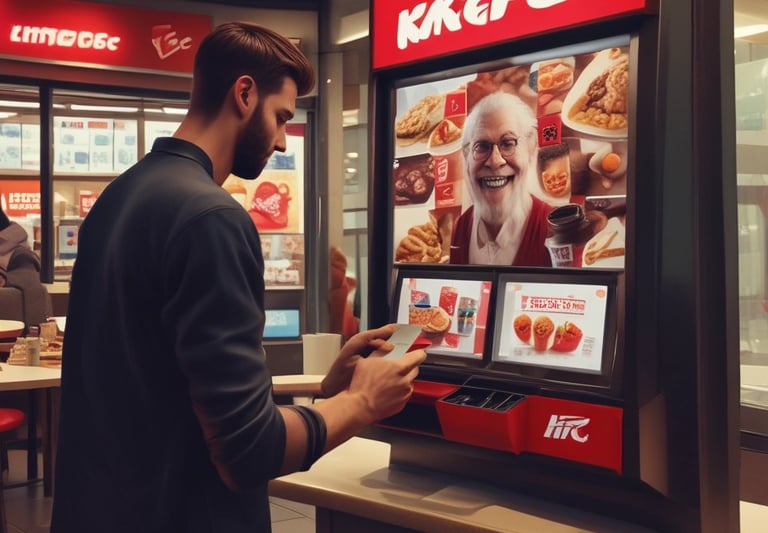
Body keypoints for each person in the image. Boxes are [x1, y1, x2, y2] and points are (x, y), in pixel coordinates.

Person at [50, 22, 426, 533]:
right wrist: (361, 402)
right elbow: (248, 453)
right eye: (281, 117)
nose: (281, 139)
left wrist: (326, 393)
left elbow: (163, 389)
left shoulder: (118, 199)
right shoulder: (211, 219)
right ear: (244, 93)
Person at [449, 91, 552, 266]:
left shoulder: (554, 227)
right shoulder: (461, 226)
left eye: (508, 143)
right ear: (466, 156)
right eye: (481, 146)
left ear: (531, 149)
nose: (495, 161)